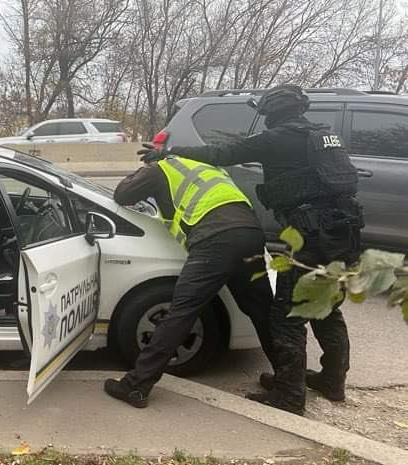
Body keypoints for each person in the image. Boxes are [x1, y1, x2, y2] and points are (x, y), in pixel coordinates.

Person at [139, 84, 363, 415]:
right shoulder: (323, 134)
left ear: (273, 112)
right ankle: (332, 380)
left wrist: (168, 153)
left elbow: (221, 154)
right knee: (327, 308)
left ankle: (288, 395)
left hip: (311, 235)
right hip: (345, 232)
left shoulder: (278, 138)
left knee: (287, 315)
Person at [104, 155, 277, 409]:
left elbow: (122, 194)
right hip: (250, 234)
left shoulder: (161, 169)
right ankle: (287, 381)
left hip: (215, 240)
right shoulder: (206, 166)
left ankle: (136, 386)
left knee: (181, 312)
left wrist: (142, 170)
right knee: (264, 312)